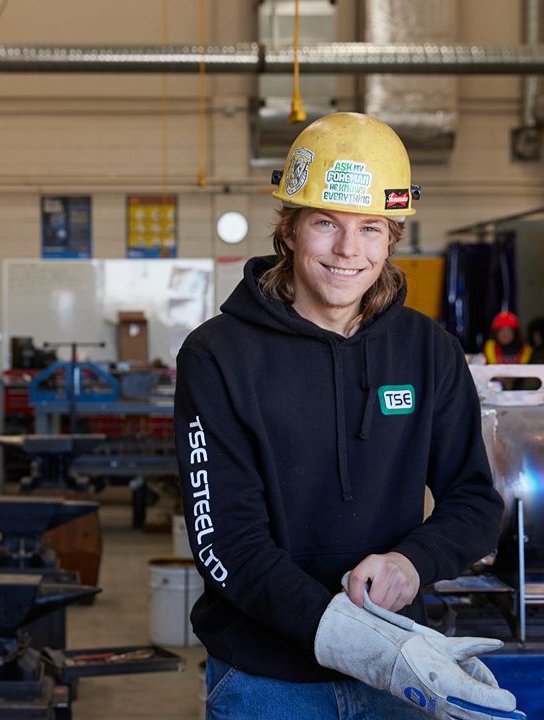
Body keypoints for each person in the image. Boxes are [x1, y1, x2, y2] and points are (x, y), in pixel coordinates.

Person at [174, 113, 517, 719]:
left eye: (371, 229)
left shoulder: (426, 350)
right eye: (326, 223)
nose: (347, 250)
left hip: (395, 678)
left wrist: (411, 566)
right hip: (265, 682)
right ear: (290, 229)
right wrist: (349, 641)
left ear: (392, 238)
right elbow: (223, 539)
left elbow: (474, 501)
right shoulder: (218, 356)